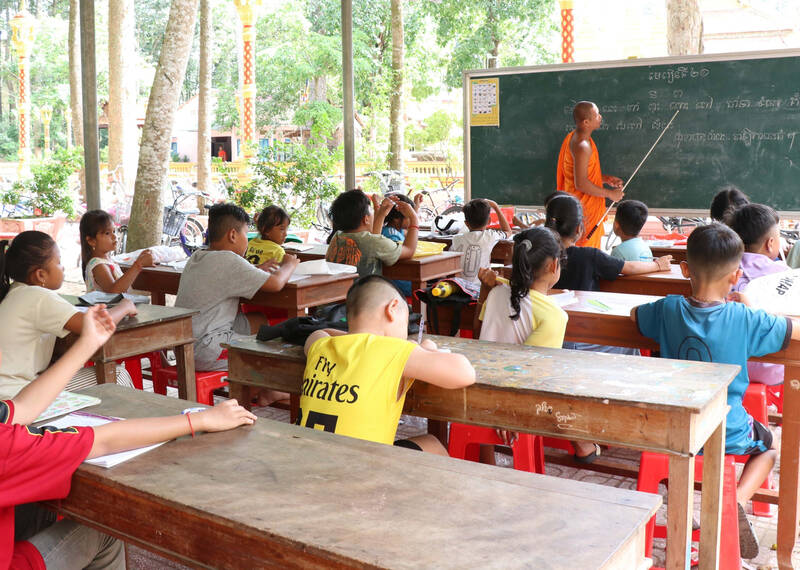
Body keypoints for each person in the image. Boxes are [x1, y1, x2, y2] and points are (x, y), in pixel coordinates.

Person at [3, 304, 256, 569]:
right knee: (102, 529)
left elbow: (22, 408)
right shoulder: (8, 447)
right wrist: (202, 418)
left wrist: (88, 343)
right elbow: (102, 441)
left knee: (41, 505)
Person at [632, 223, 800, 559]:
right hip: (727, 429)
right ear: (736, 277)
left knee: (676, 455)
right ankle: (734, 502)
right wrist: (751, 307)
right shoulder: (745, 317)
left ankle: (678, 496)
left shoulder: (666, 310)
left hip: (672, 428)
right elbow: (790, 330)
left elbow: (636, 316)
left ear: (684, 269)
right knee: (769, 447)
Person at [299, 275, 475, 454]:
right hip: (354, 471)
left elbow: (319, 333)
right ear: (392, 309)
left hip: (309, 458)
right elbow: (465, 373)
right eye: (405, 324)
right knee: (433, 446)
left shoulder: (320, 346)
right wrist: (426, 348)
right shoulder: (393, 351)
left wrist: (357, 340)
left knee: (427, 442)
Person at [476, 227, 600, 462]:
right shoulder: (553, 315)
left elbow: (478, 337)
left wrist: (485, 289)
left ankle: (486, 460)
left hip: (481, 385)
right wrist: (508, 411)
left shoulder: (496, 293)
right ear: (554, 266)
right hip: (516, 398)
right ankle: (582, 443)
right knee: (567, 378)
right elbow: (534, 374)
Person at [0, 231, 137, 397]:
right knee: (118, 374)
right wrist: (125, 306)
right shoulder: (37, 296)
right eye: (58, 262)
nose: (62, 267)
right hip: (16, 395)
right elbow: (95, 326)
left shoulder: (14, 293)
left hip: (12, 389)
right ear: (40, 274)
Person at [175, 203, 298, 376]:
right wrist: (289, 264)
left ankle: (262, 386)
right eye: (246, 234)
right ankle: (267, 388)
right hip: (207, 350)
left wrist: (256, 270)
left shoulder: (198, 256)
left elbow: (228, 274)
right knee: (271, 344)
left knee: (260, 320)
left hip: (186, 344)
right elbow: (276, 283)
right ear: (233, 235)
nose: (247, 240)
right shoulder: (229, 260)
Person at [726, 203, 790, 388]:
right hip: (773, 367)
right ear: (770, 244)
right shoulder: (782, 272)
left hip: (724, 363)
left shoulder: (721, 269)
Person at [556, 101, 624, 249]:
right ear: (586, 122)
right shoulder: (582, 146)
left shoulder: (574, 137)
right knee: (584, 256)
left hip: (582, 209)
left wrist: (604, 179)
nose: (600, 117)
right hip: (583, 213)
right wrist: (610, 194)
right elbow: (580, 183)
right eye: (597, 115)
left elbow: (580, 173)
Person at [326, 189, 418, 277]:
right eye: (372, 211)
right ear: (366, 219)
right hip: (367, 292)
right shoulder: (374, 242)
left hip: (342, 292)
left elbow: (374, 239)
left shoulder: (337, 237)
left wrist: (381, 214)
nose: (374, 214)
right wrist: (414, 219)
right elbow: (409, 250)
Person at [79, 209, 155, 293]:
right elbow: (113, 291)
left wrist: (140, 259)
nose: (114, 236)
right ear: (91, 241)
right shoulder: (99, 265)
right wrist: (138, 265)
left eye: (114, 231)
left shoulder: (108, 261)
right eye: (107, 233)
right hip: (108, 306)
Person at [451, 199, 512, 283]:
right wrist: (496, 207)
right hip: (480, 288)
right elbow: (508, 231)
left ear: (466, 223)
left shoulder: (456, 239)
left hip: (460, 287)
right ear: (489, 221)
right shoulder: (490, 236)